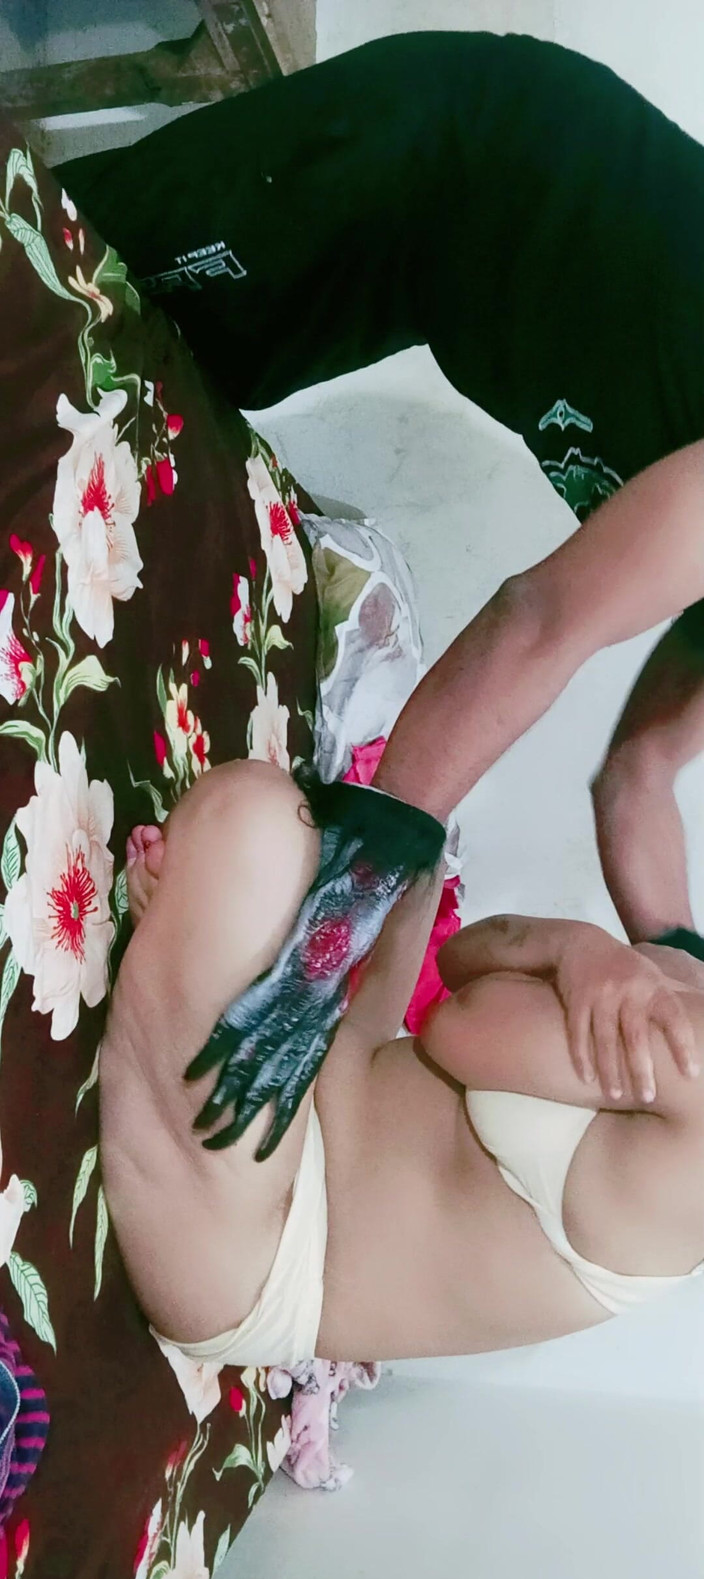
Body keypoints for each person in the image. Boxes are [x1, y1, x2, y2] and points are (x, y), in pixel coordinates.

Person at [58, 31, 704, 953]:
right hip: (459, 146)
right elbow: (537, 621)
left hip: (429, 287)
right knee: (86, 269)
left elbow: (639, 777)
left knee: (159, 366)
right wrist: (358, 885)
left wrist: (680, 977)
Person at [98, 758, 704, 1368]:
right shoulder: (689, 976)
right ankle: (188, 959)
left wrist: (576, 949)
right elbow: (459, 959)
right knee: (407, 855)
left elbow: (457, 1025)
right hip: (332, 1072)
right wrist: (570, 944)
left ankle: (184, 955)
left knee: (256, 818)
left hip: (262, 1258)